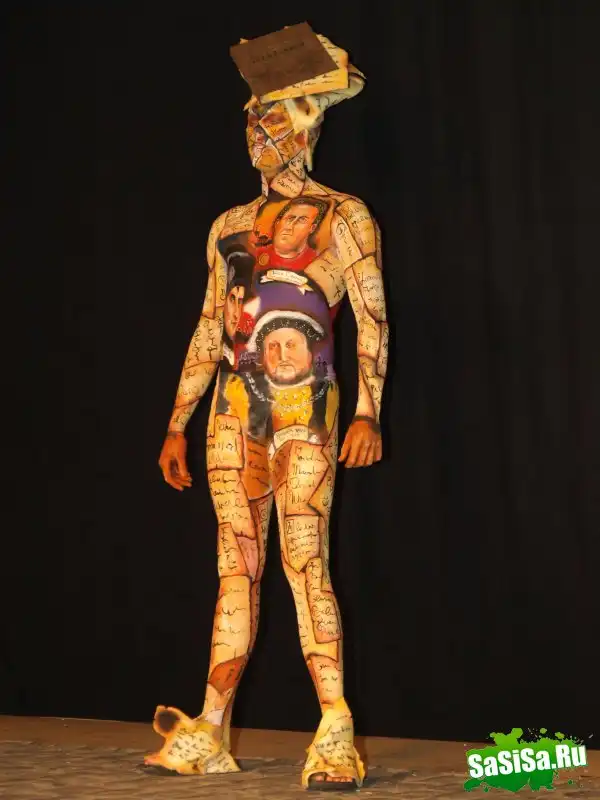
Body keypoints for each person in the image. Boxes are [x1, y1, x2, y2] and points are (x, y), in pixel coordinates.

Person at [147, 32, 387, 791]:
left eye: (274, 117)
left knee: (304, 559)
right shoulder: (228, 226)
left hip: (306, 412)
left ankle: (335, 728)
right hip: (231, 412)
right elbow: (209, 325)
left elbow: (372, 319)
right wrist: (177, 420)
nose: (259, 132)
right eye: (252, 118)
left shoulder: (344, 216)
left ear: (309, 124)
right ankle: (212, 727)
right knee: (235, 567)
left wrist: (368, 411)